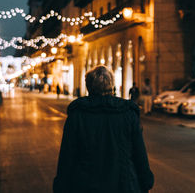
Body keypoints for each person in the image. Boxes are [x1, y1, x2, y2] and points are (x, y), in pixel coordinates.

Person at [53, 65, 154, 193]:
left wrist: (61, 185)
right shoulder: (128, 114)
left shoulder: (77, 115)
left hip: (85, 185)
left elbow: (67, 156)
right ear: (112, 86)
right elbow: (139, 153)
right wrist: (146, 182)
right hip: (123, 184)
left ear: (88, 87)